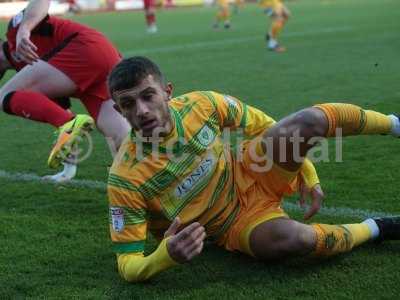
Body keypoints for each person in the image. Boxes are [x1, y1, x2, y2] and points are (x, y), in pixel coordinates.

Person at [106, 56, 400, 283]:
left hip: (250, 170)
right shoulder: (126, 178)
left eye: (148, 96)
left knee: (309, 120)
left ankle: (394, 124)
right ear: (119, 111)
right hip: (232, 226)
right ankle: (378, 228)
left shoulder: (203, 105)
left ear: (167, 92)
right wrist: (164, 256)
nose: (141, 110)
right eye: (128, 103)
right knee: (297, 240)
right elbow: (128, 265)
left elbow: (264, 125)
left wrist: (306, 171)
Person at [0, 0, 130, 182]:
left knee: (4, 95)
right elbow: (65, 117)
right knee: (123, 137)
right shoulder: (33, 79)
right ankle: (145, 182)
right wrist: (68, 171)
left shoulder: (15, 34)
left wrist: (24, 28)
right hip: (104, 59)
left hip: (86, 48)